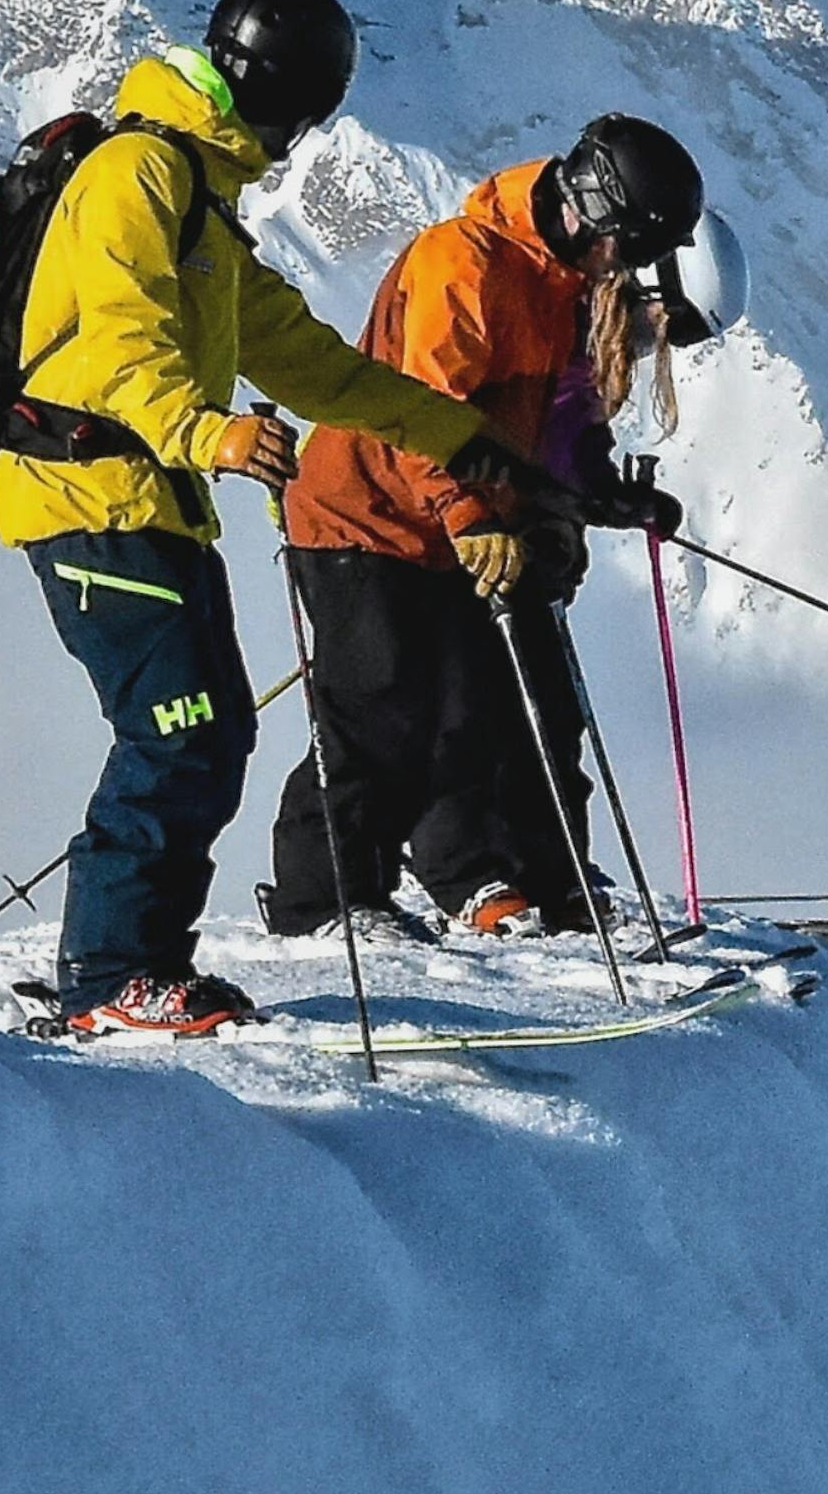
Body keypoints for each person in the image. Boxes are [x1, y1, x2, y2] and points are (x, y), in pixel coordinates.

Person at [0, 0, 502, 1035]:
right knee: (178, 729)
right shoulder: (135, 174)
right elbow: (121, 342)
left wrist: (455, 432)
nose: (299, 139)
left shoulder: (198, 201)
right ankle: (106, 974)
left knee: (210, 729)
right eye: (305, 114)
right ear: (283, 98)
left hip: (150, 498)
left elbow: (313, 364)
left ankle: (141, 967)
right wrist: (210, 431)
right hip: (92, 494)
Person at [262, 117, 703, 941]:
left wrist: (604, 492)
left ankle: (496, 878)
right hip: (362, 515)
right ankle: (323, 900)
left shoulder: (563, 282)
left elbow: (558, 421)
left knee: (482, 709)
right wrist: (467, 514)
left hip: (456, 527)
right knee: (379, 709)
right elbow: (422, 410)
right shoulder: (460, 262)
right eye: (630, 246)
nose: (629, 269)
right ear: (595, 215)